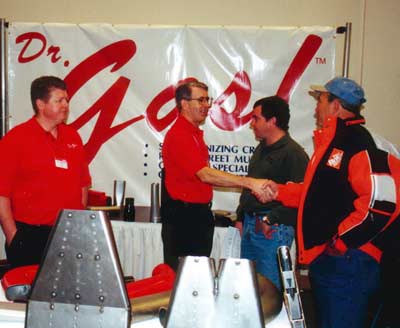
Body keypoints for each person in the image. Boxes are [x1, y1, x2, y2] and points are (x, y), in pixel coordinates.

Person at [260, 77, 400, 327]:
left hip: (349, 262)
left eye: (321, 101)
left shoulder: (360, 143)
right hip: (336, 260)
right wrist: (279, 191)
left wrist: (342, 242)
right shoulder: (333, 143)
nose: (316, 108)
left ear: (336, 106)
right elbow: (320, 193)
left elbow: (381, 203)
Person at [161, 81, 266, 271]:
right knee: (186, 281)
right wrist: (248, 182)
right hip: (184, 220)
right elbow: (205, 175)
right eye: (200, 100)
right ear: (184, 104)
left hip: (196, 217)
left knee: (195, 279)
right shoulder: (180, 135)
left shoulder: (193, 133)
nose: (207, 105)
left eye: (207, 99)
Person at [0, 76, 91, 268]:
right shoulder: (16, 139)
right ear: (40, 104)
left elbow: (83, 184)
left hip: (68, 233)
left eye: (67, 100)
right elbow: (2, 195)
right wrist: (13, 236)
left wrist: (76, 224)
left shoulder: (72, 136)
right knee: (31, 297)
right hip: (30, 236)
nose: (66, 105)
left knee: (68, 295)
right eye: (59, 100)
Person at [235, 96, 309, 291]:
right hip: (252, 226)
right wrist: (241, 216)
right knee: (249, 290)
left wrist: (270, 219)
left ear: (272, 121)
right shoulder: (262, 148)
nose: (251, 124)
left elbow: (302, 198)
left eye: (256, 118)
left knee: (270, 292)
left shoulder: (294, 154)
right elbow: (251, 182)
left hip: (273, 230)